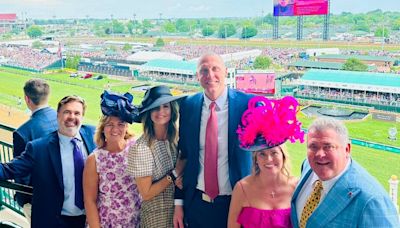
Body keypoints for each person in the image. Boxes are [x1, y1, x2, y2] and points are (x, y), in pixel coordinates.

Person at [173, 53, 254, 228]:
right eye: (204, 70)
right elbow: (184, 155)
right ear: (197, 76)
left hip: (237, 204)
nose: (210, 75)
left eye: (215, 68)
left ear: (225, 71)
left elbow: (263, 153)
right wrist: (178, 203)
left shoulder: (248, 104)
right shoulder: (188, 105)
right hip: (197, 204)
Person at [0, 95, 96, 228]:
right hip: (53, 221)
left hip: (88, 220)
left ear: (82, 117)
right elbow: (9, 169)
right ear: (58, 115)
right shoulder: (39, 148)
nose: (71, 117)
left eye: (77, 113)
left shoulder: (93, 135)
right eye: (66, 112)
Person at [291, 117, 400, 227]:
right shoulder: (307, 166)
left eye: (328, 147)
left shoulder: (372, 201)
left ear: (347, 149)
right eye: (313, 146)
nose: (320, 154)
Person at [228, 96, 304, 228]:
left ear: (283, 155)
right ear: (255, 159)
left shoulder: (297, 187)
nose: (269, 159)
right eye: (262, 154)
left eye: (274, 153)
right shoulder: (242, 188)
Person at [127, 85, 185, 227]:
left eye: (165, 106)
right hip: (156, 216)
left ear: (172, 109)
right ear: (148, 113)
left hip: (181, 211)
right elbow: (146, 193)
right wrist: (174, 174)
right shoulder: (142, 148)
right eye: (155, 108)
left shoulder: (178, 139)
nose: (161, 112)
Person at [83, 91, 142, 227]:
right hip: (106, 223)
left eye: (121, 124)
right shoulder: (95, 159)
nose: (115, 129)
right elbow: (90, 201)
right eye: (110, 124)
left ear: (127, 127)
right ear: (103, 128)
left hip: (135, 222)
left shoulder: (136, 147)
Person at [12, 78, 58, 222]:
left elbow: (21, 172)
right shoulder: (66, 119)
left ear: (27, 98)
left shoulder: (23, 132)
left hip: (38, 199)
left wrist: (22, 199)